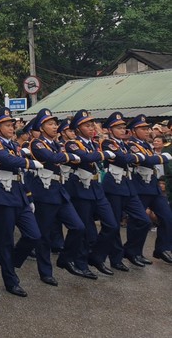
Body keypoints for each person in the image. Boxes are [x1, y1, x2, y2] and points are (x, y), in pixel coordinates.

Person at [0, 107, 42, 297]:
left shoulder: (14, 145)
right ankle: (10, 279)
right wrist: (29, 162)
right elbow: (7, 161)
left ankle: (10, 262)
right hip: (3, 194)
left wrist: (29, 196)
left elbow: (20, 174)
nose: (11, 128)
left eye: (12, 125)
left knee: (34, 235)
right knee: (6, 240)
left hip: (19, 194)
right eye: (7, 125)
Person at [26, 108, 85, 285]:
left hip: (59, 191)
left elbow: (63, 156)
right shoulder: (37, 143)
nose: (54, 126)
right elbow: (51, 158)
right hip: (44, 192)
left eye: (55, 123)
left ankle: (65, 259)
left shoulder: (57, 143)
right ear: (42, 127)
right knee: (44, 235)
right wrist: (69, 156)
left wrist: (66, 155)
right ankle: (45, 271)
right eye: (50, 124)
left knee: (78, 227)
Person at [64, 110, 118, 279]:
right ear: (78, 129)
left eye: (92, 125)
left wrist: (101, 144)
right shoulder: (72, 144)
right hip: (82, 190)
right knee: (87, 231)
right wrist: (103, 154)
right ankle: (81, 263)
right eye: (87, 125)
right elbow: (85, 157)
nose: (91, 128)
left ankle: (96, 257)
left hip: (96, 189)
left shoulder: (94, 144)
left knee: (111, 224)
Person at [100, 112, 151, 271]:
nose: (123, 130)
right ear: (110, 129)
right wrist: (137, 157)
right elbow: (124, 159)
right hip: (114, 186)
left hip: (128, 186)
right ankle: (115, 259)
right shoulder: (107, 143)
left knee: (144, 220)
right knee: (114, 225)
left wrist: (134, 157)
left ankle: (131, 251)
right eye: (118, 128)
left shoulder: (124, 145)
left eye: (123, 127)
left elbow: (130, 157)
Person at [126, 114, 172, 264]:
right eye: (143, 128)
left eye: (147, 128)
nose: (147, 131)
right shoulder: (131, 144)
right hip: (140, 186)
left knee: (167, 216)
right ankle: (133, 252)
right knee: (139, 222)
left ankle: (162, 248)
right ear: (133, 130)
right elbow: (147, 160)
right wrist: (164, 157)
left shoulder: (147, 144)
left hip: (153, 186)